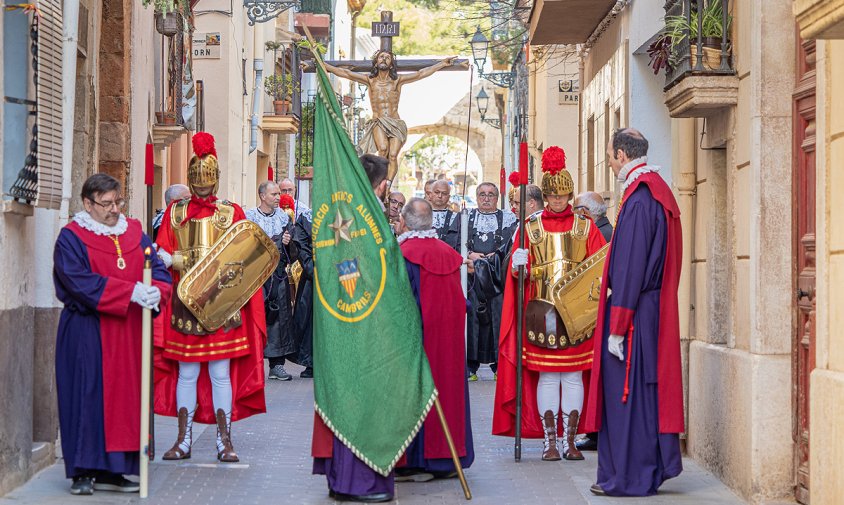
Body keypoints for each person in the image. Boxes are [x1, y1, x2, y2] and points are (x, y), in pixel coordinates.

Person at [53, 173, 172, 495]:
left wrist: (156, 291)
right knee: (86, 396)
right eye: (106, 204)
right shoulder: (71, 237)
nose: (114, 209)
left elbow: (157, 267)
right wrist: (129, 292)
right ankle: (83, 471)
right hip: (88, 332)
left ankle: (117, 469)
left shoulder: (133, 231)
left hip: (130, 332)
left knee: (126, 400)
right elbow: (77, 280)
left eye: (117, 202)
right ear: (87, 204)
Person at [154, 132, 267, 463]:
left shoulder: (231, 213)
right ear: (190, 178)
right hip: (185, 305)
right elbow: (161, 252)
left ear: (216, 178)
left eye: (208, 177)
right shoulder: (176, 212)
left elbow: (247, 258)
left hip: (222, 306)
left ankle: (224, 440)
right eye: (198, 178)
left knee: (220, 373)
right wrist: (177, 260)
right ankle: (184, 438)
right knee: (187, 373)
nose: (203, 184)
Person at [583, 128, 684, 496]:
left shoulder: (641, 198)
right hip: (647, 309)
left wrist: (617, 326)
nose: (609, 161)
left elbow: (629, 266)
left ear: (623, 155)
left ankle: (628, 477)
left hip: (635, 314)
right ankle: (646, 468)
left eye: (610, 154)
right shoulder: (652, 190)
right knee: (643, 392)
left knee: (628, 396)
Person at [492, 146, 606, 462]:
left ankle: (570, 440)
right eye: (553, 197)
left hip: (578, 316)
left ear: (569, 195)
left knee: (571, 376)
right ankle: (549, 441)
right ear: (546, 197)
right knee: (547, 377)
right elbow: (518, 277)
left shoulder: (586, 227)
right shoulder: (529, 227)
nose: (558, 201)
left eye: (563, 196)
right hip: (540, 313)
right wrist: (517, 265)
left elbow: (599, 268)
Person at [313, 154, 395, 502]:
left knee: (343, 395)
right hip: (367, 321)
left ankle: (340, 479)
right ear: (382, 184)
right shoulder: (371, 215)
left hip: (339, 318)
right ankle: (361, 482)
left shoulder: (341, 210)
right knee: (367, 401)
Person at [396, 198, 474, 481]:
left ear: (404, 222)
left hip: (413, 339)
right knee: (447, 392)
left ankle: (413, 460)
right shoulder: (447, 252)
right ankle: (447, 459)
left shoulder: (401, 253)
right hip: (449, 342)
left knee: (412, 394)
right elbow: (462, 302)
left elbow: (400, 302)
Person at [323, 52, 466, 185]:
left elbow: (421, 73)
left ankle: (388, 185)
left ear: (391, 64)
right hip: (379, 121)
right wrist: (323, 65)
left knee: (392, 155)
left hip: (395, 123)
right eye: (380, 57)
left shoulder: (397, 81)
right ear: (376, 62)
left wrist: (441, 64)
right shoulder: (370, 80)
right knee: (383, 149)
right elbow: (345, 73)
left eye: (387, 57)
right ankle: (379, 181)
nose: (383, 59)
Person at [445, 182, 518, 381]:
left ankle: (499, 366)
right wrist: (469, 255)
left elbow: (513, 245)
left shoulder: (508, 219)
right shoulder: (464, 217)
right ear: (477, 197)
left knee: (498, 320)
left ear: (497, 198)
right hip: (470, 275)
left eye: (491, 194)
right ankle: (470, 366)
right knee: (472, 320)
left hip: (496, 278)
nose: (486, 198)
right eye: (482, 194)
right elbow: (453, 243)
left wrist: (495, 257)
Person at [572, 191, 614, 452]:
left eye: (576, 208)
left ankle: (596, 433)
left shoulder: (601, 234)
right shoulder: (602, 229)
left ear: (586, 213)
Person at [245, 181, 298, 381]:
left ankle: (277, 366)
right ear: (262, 196)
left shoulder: (284, 218)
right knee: (255, 319)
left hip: (277, 276)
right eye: (274, 194)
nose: (278, 197)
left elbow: (292, 252)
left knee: (280, 320)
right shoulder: (249, 217)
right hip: (255, 277)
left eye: (278, 193)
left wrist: (287, 242)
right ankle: (253, 365)